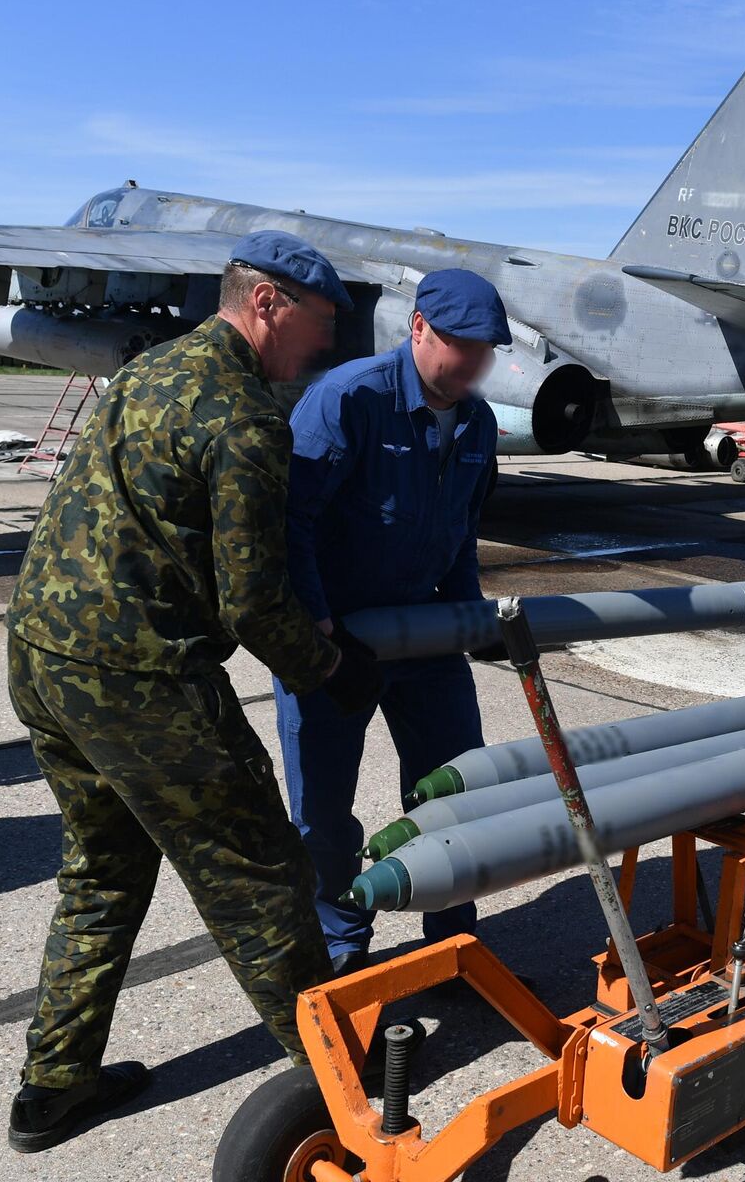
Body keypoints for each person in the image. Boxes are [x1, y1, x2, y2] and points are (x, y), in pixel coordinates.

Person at [2, 230, 384, 1153]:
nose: (325, 347)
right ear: (267, 303)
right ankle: (339, 1098)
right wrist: (330, 668)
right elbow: (251, 600)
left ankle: (52, 1087)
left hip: (44, 655)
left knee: (103, 870)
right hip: (141, 678)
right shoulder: (245, 416)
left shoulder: (151, 371)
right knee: (261, 874)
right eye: (319, 324)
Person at [274, 268, 507, 975]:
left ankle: (452, 948)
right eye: (458, 344)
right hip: (338, 642)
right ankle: (344, 949)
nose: (471, 362)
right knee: (322, 812)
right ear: (417, 328)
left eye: (485, 349)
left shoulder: (478, 421)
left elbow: (461, 534)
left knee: (456, 792)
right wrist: (318, 629)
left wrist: (470, 620)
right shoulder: (348, 401)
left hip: (429, 638)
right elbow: (293, 525)